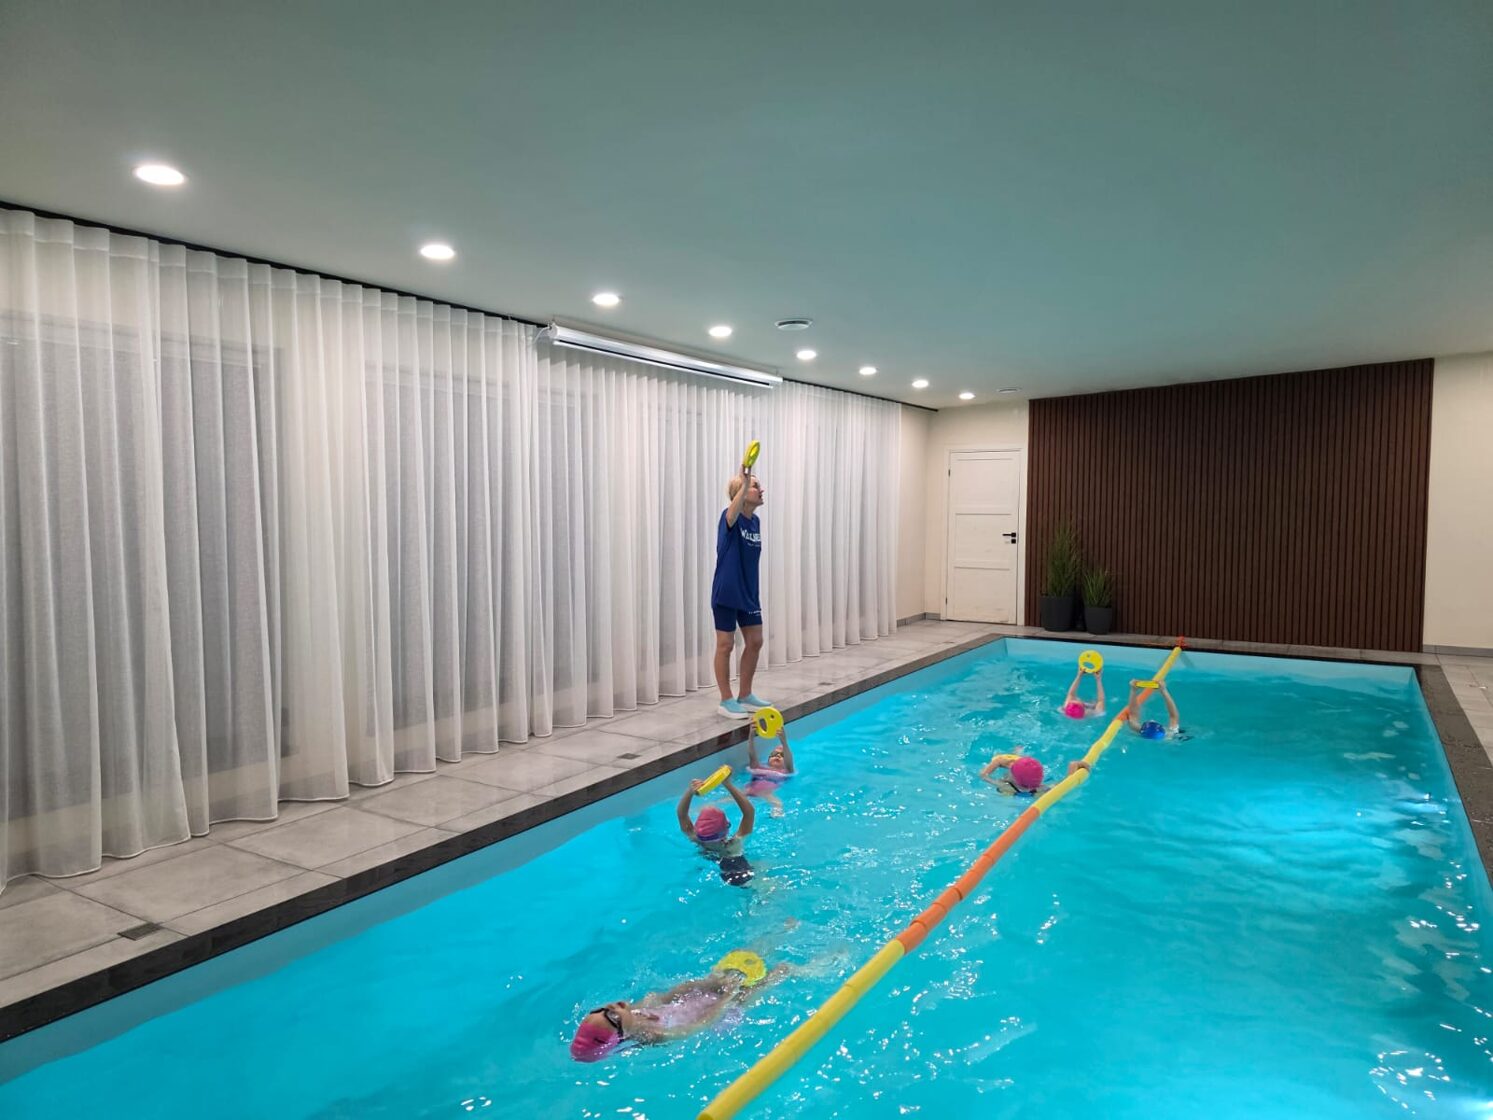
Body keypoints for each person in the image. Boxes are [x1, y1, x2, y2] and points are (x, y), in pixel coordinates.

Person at [569, 951, 788, 1062]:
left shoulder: (634, 1012)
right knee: (760, 985)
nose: (613, 1006)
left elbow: (667, 996)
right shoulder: (655, 1036)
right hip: (718, 1014)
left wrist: (708, 984)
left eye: (601, 1009)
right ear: (621, 1036)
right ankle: (796, 969)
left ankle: (775, 935)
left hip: (699, 998)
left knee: (737, 965)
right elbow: (700, 1025)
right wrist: (726, 999)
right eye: (613, 1017)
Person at [711, 455, 769, 719]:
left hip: (749, 593)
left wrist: (748, 484)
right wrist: (745, 483)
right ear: (742, 494)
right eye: (756, 486)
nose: (761, 490)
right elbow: (732, 513)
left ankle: (745, 694)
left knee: (755, 641)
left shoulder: (755, 522)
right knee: (725, 645)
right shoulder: (729, 518)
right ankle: (725, 700)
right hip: (727, 592)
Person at [678, 776, 755, 885]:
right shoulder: (732, 845)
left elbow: (682, 815)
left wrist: (690, 791)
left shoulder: (697, 839)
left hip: (717, 868)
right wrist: (728, 784)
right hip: (742, 872)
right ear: (726, 827)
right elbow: (749, 812)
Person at [979, 750, 1091, 796]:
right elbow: (1066, 783)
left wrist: (997, 762)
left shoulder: (1005, 787)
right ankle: (1018, 753)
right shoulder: (1042, 789)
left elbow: (983, 776)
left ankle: (1017, 752)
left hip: (1012, 789)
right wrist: (1074, 765)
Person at [743, 727, 796, 817]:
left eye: (782, 755)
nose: (778, 756)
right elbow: (751, 754)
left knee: (778, 804)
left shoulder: (785, 771)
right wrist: (751, 736)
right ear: (768, 760)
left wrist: (784, 741)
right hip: (748, 789)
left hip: (766, 793)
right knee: (725, 800)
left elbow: (789, 759)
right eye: (774, 754)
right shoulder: (759, 767)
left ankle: (774, 817)